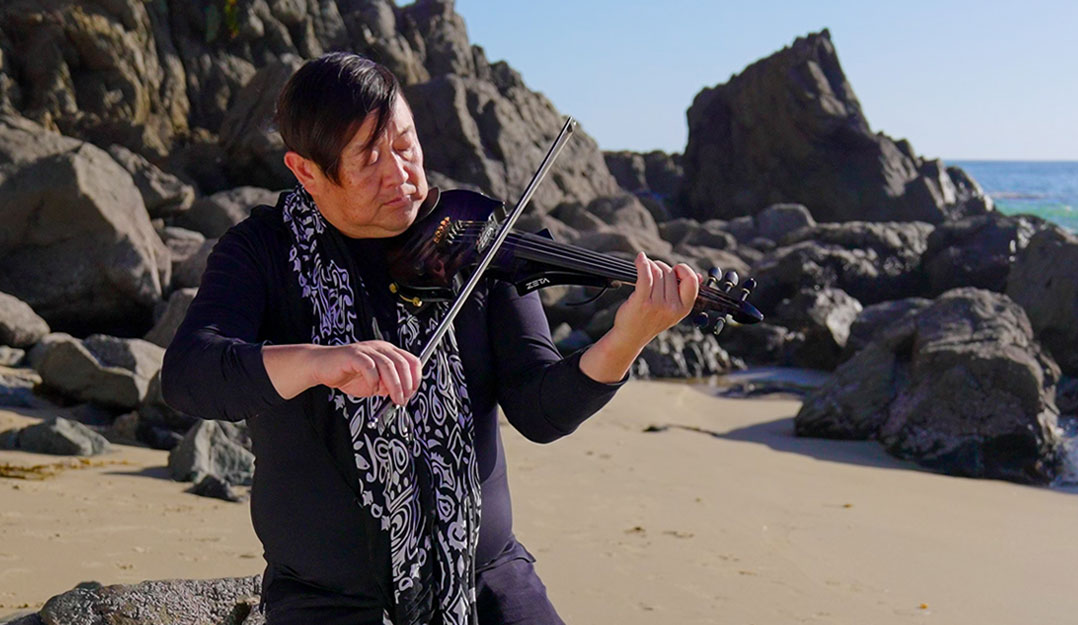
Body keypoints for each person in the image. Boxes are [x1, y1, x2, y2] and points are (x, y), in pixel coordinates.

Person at [162, 51, 699, 625]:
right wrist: (317, 362)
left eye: (406, 144)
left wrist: (628, 336)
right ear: (305, 171)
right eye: (369, 160)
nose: (401, 175)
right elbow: (190, 375)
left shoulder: (475, 240)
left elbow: (539, 410)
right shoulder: (262, 251)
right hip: (330, 601)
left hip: (487, 579)